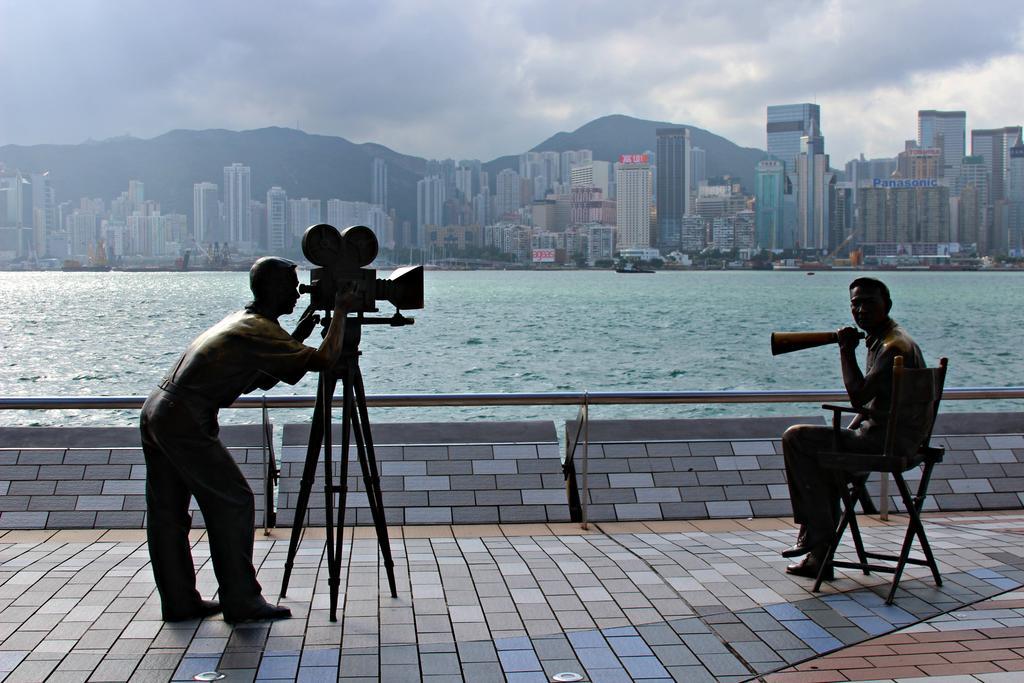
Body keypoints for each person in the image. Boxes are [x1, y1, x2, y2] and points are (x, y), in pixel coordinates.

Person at [140, 257, 352, 622]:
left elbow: (267, 378)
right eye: (291, 285)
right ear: (272, 289)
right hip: (184, 418)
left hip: (159, 410)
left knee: (168, 512)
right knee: (234, 501)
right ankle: (240, 600)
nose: (299, 293)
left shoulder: (248, 322)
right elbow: (326, 359)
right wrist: (343, 311)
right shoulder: (259, 330)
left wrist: (295, 339)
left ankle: (179, 601)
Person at [781, 277, 925, 579]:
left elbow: (858, 395)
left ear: (887, 305)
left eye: (868, 302)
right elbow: (873, 403)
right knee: (821, 467)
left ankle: (815, 538)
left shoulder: (893, 347)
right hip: (895, 439)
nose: (860, 310)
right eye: (855, 303)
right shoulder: (889, 339)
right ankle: (819, 555)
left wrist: (845, 350)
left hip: (884, 444)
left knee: (795, 438)